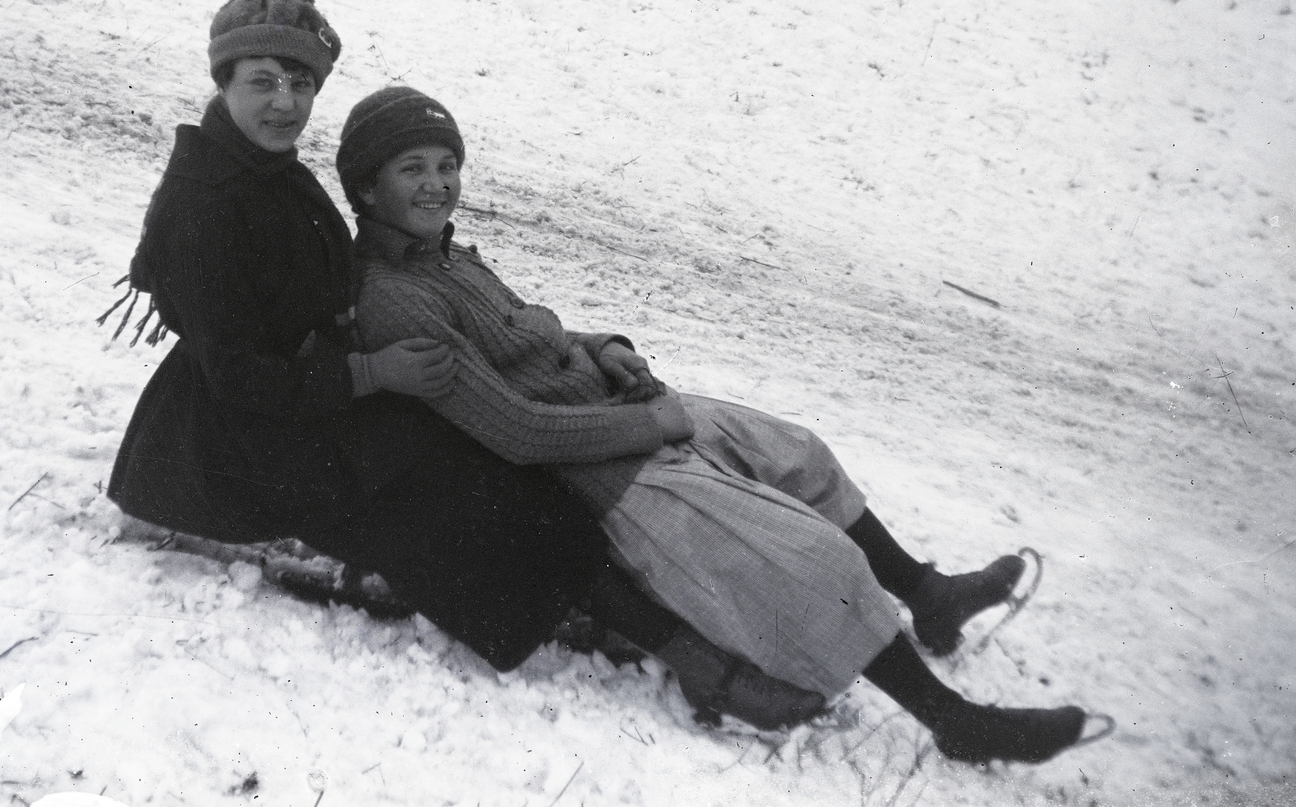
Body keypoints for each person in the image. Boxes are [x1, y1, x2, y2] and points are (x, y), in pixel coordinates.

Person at [102, 0, 830, 728]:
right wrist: (369, 370)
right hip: (235, 444)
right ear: (223, 80)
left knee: (490, 461)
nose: (285, 102)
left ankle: (658, 613)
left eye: (300, 82)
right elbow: (238, 374)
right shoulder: (206, 204)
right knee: (473, 501)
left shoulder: (263, 168)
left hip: (315, 396)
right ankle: (701, 666)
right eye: (262, 81)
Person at [341, 86, 1103, 765]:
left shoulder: (445, 259)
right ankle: (956, 721)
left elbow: (533, 337)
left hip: (619, 416)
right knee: (821, 563)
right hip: (605, 474)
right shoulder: (396, 299)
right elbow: (515, 433)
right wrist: (649, 423)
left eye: (447, 163)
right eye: (412, 167)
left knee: (798, 452)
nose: (438, 182)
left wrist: (601, 347)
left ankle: (926, 593)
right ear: (366, 184)